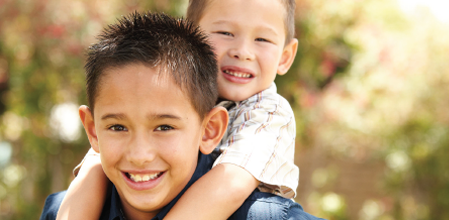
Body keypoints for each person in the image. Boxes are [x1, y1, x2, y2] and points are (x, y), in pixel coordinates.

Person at [55, 0, 322, 219]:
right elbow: (94, 169)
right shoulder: (162, 88)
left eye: (262, 39)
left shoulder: (270, 113)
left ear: (285, 56)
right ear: (192, 36)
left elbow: (229, 185)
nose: (243, 51)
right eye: (226, 33)